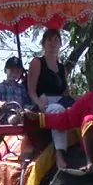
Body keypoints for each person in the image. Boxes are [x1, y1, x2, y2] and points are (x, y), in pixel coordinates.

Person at [27, 28, 74, 169]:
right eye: (49, 39)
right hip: (44, 103)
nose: (53, 43)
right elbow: (31, 91)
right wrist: (39, 103)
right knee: (57, 110)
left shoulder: (62, 68)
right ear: (43, 43)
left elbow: (66, 93)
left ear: (60, 43)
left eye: (56, 40)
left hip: (62, 101)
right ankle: (60, 155)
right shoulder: (37, 62)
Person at [0, 57, 30, 123]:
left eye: (17, 71)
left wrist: (28, 109)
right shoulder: (0, 86)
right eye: (12, 70)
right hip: (4, 116)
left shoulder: (21, 88)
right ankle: (15, 119)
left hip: (20, 114)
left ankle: (19, 117)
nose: (14, 73)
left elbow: (26, 102)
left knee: (29, 113)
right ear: (5, 70)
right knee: (11, 118)